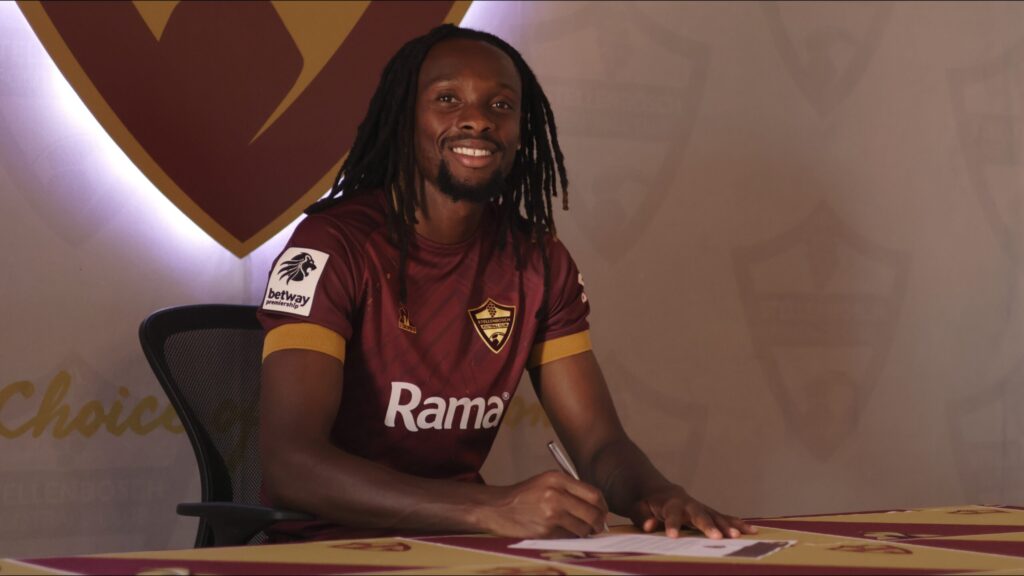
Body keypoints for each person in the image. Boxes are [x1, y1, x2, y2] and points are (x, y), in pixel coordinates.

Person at [258, 24, 756, 542]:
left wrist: (659, 494)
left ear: (522, 128)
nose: (478, 119)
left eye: (500, 105)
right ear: (405, 117)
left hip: (461, 545)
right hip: (330, 545)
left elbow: (599, 445)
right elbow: (291, 465)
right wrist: (489, 507)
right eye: (447, 98)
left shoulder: (538, 260)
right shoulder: (332, 246)